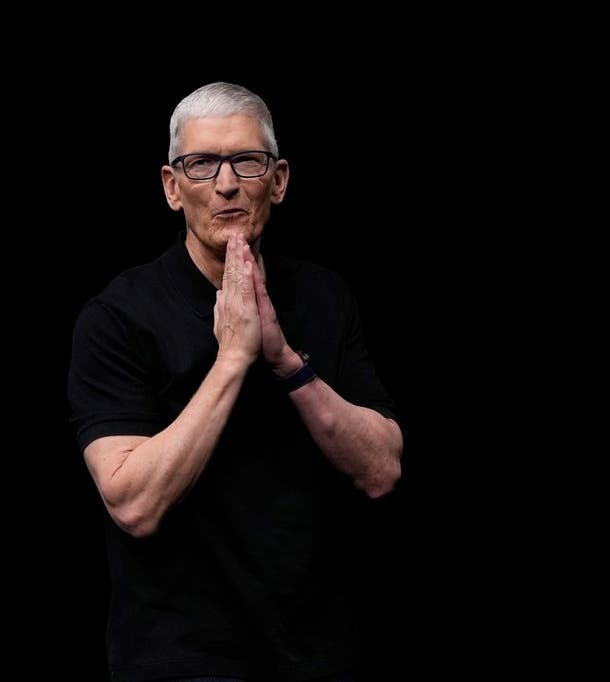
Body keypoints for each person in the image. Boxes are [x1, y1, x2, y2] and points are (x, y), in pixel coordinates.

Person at [67, 81, 404, 681]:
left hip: (321, 654)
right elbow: (133, 503)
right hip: (179, 659)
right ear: (172, 187)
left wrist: (285, 362)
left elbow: (381, 471)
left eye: (247, 161)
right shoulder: (117, 317)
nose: (226, 184)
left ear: (278, 180)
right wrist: (232, 360)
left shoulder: (326, 297)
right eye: (201, 164)